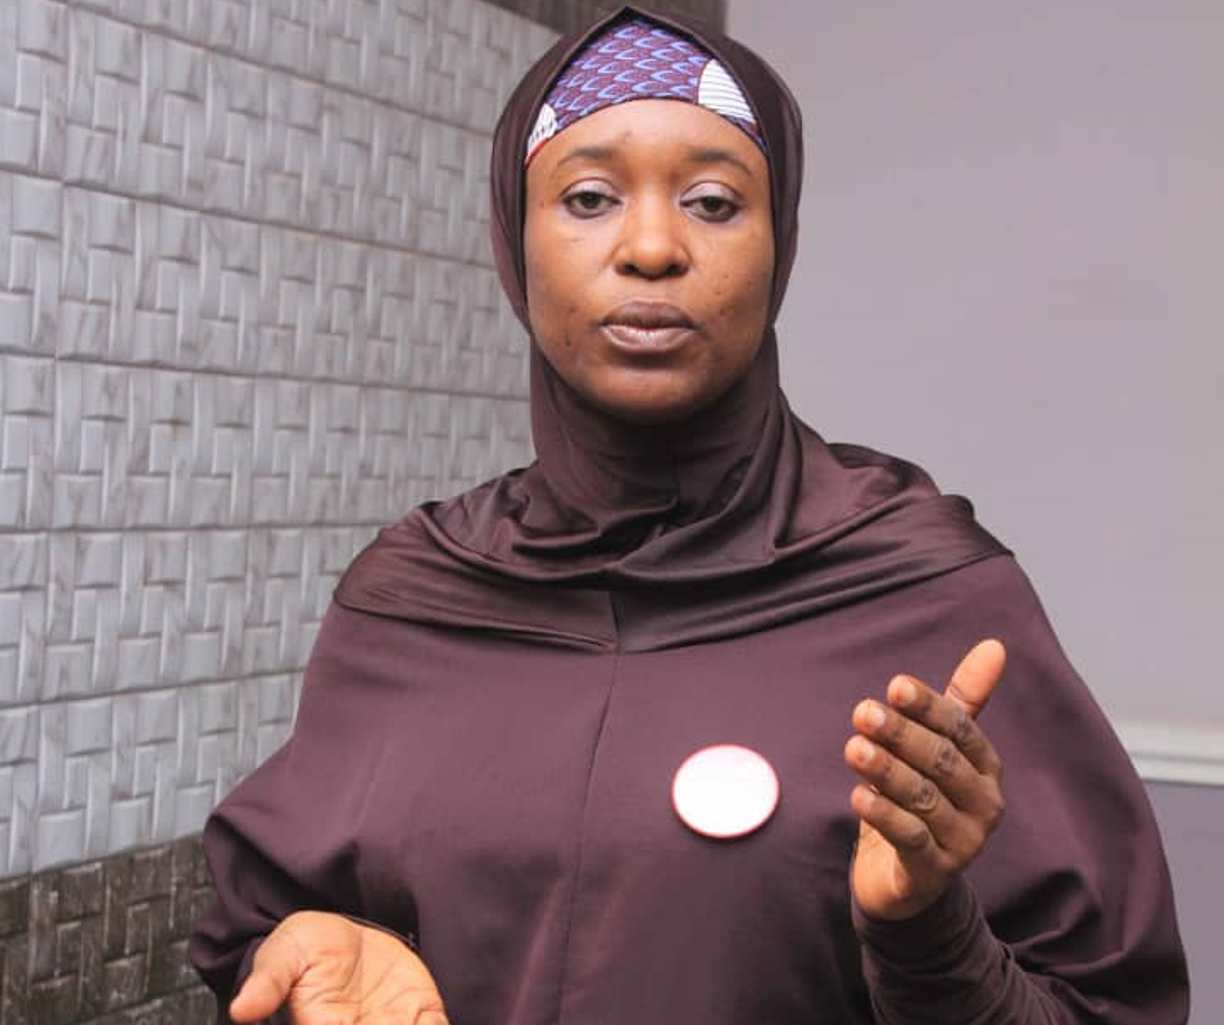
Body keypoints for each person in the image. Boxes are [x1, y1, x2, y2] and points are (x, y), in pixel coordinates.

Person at [188, 5, 1190, 1023]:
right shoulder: (414, 596)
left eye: (713, 202)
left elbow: (1107, 1006)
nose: (652, 246)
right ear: (514, 239)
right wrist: (320, 949)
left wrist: (929, 933)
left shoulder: (924, 591)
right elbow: (274, 921)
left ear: (778, 244)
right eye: (588, 197)